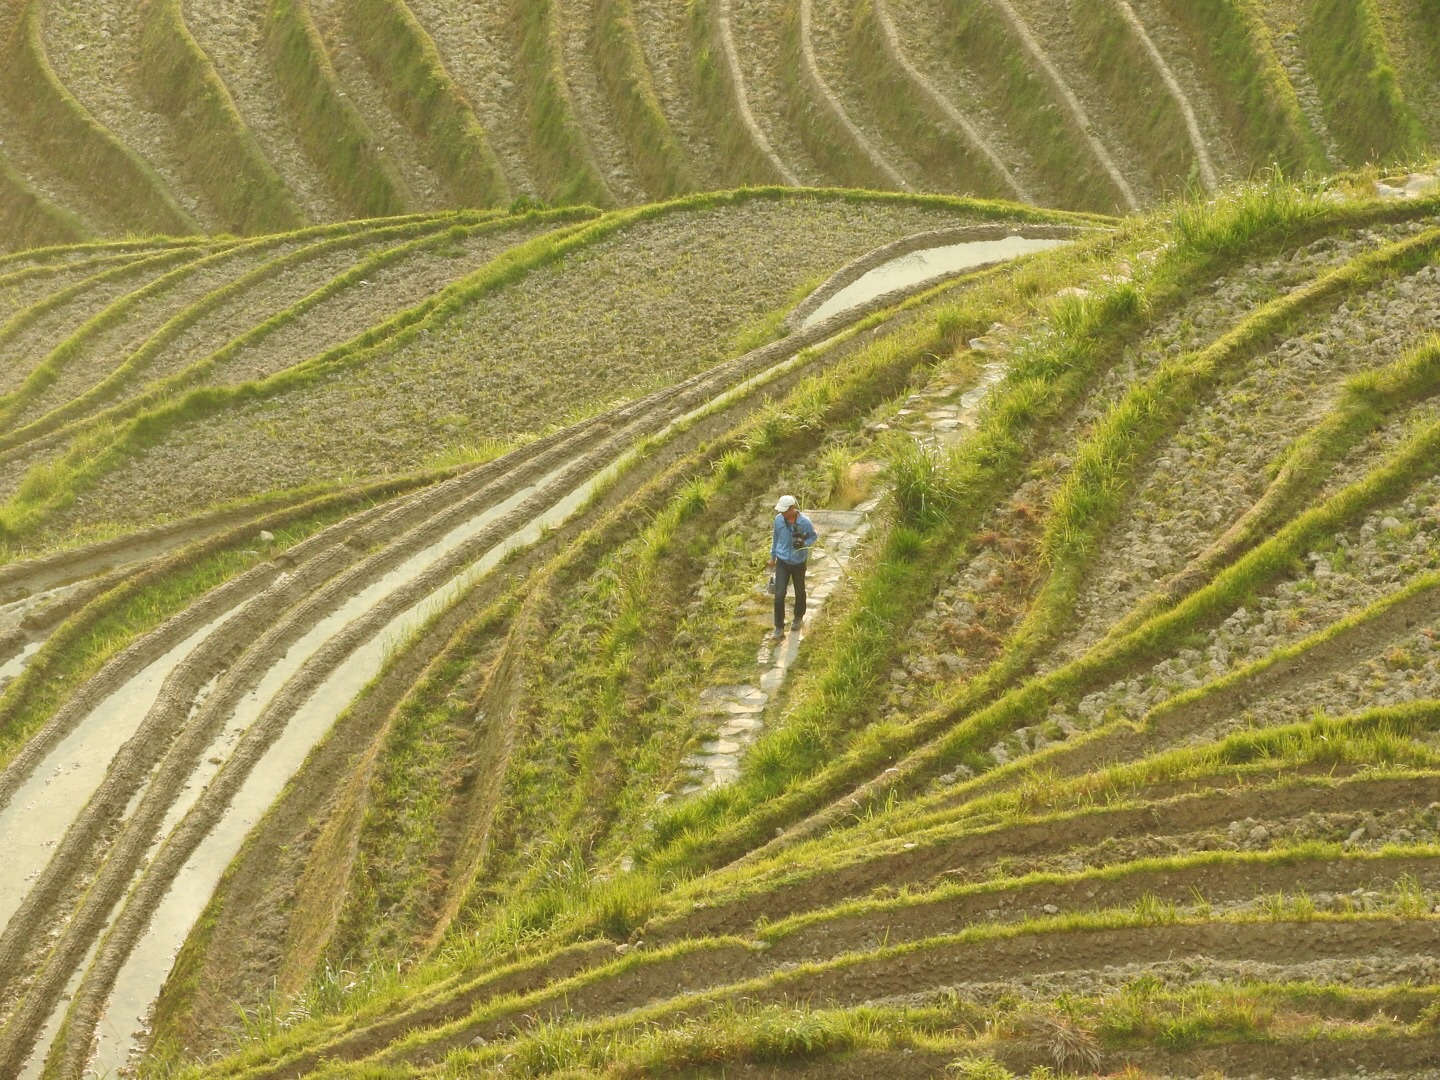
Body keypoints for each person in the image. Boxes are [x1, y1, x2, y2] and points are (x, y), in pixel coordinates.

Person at [769, 494, 818, 639]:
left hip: (799, 562)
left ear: (793, 508)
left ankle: (798, 617)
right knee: (779, 595)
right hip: (782, 561)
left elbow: (813, 536)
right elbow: (775, 538)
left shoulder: (805, 522)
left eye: (785, 510)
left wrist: (805, 544)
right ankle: (778, 627)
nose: (782, 513)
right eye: (781, 511)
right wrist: (773, 557)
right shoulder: (778, 520)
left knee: (799, 590)